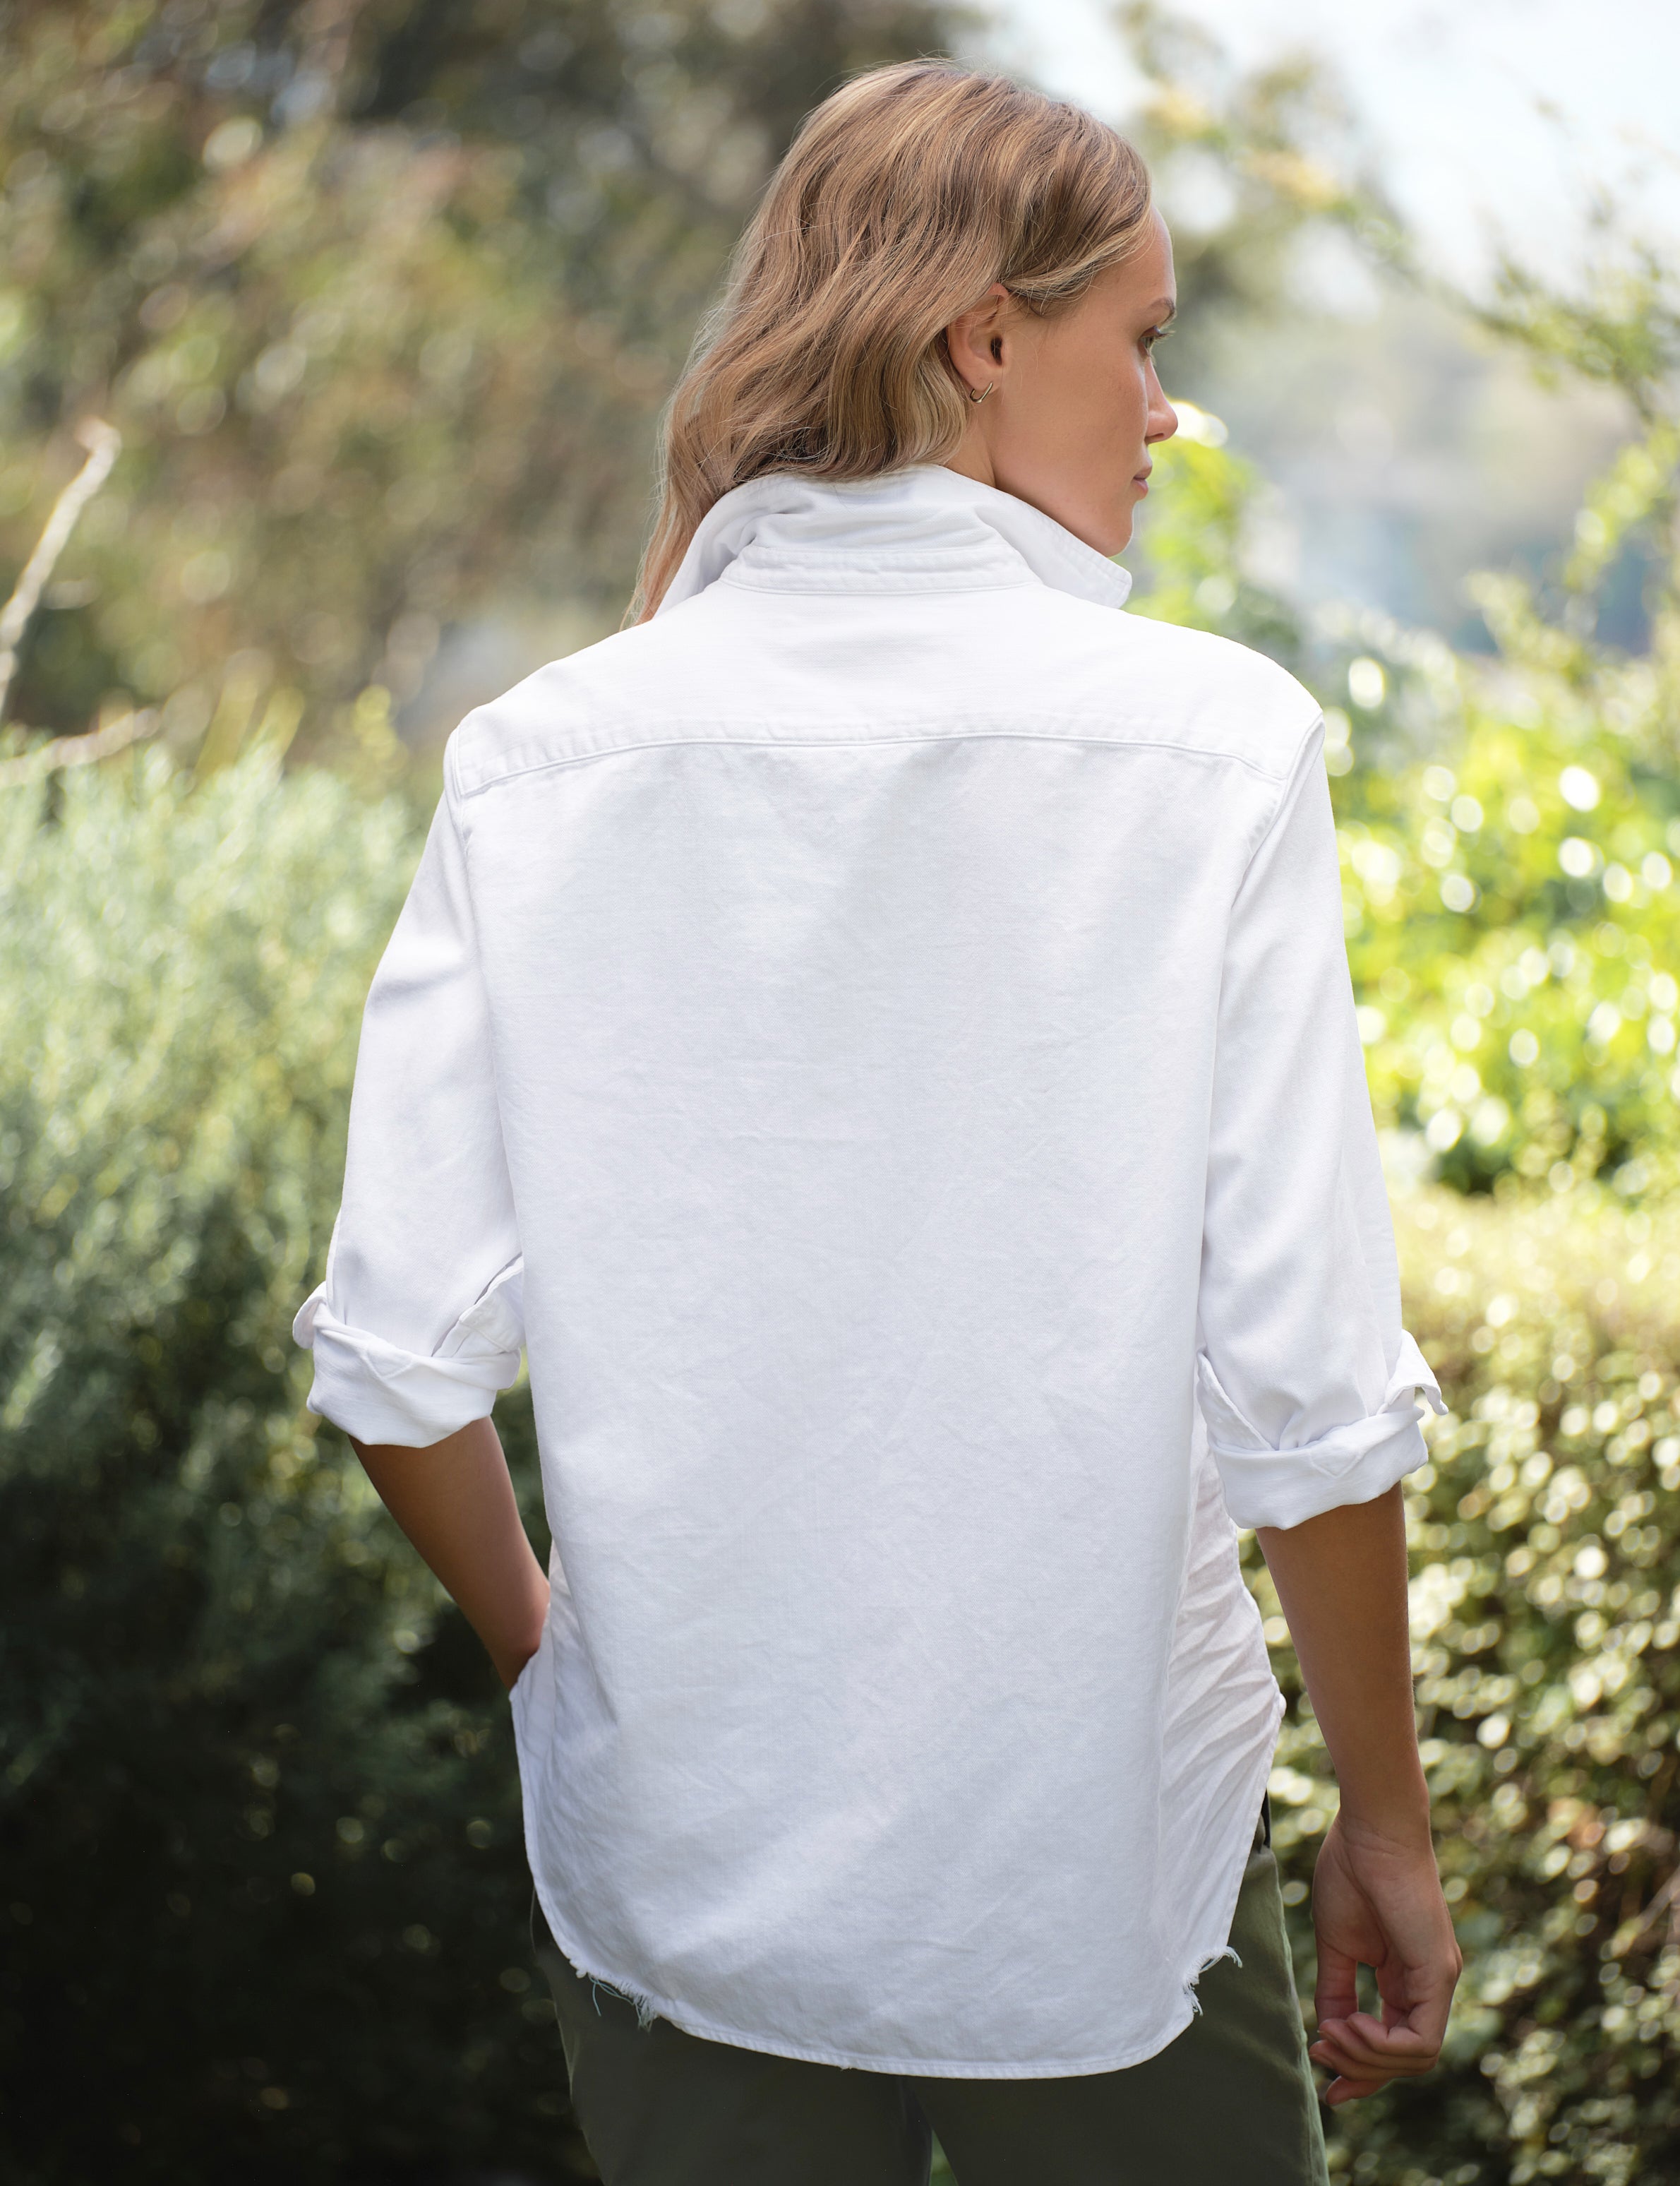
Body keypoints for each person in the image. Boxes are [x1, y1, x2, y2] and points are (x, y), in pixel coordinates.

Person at [294, 58, 1462, 2186]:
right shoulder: (1212, 747)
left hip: (679, 1886)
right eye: (1143, 339)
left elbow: (394, 1363)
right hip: (1110, 1890)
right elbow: (1303, 1393)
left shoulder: (538, 759)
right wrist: (1384, 1828)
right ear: (982, 339)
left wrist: (557, 1672)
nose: (1164, 412)